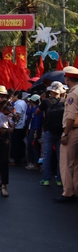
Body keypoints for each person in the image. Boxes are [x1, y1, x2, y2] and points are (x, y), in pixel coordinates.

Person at [54, 66, 78, 203]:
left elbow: (71, 116)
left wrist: (65, 133)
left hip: (73, 130)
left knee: (66, 163)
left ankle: (68, 192)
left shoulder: (73, 94)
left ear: (67, 78)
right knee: (77, 164)